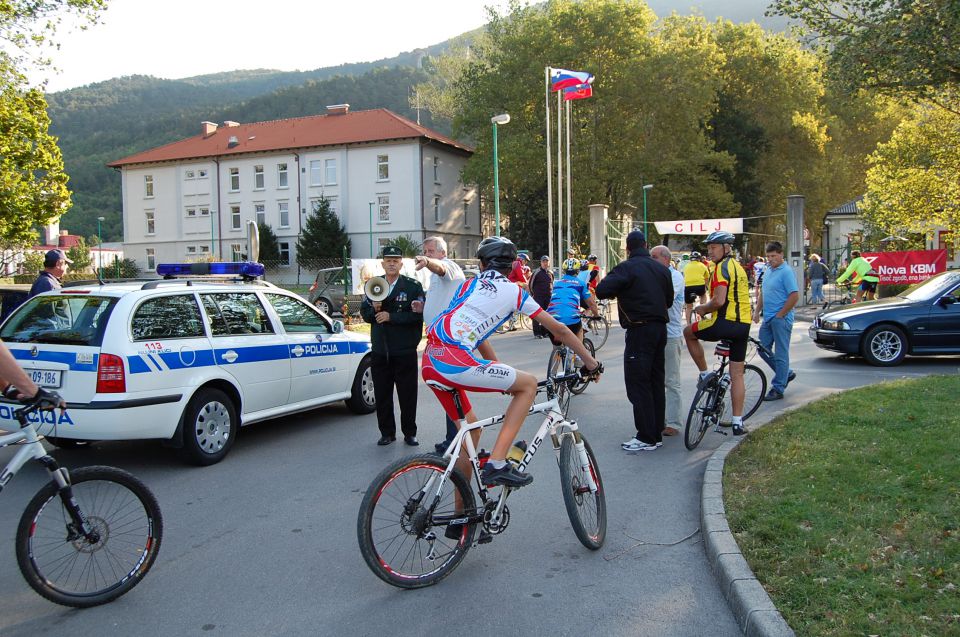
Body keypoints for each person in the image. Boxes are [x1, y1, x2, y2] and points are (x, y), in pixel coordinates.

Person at [422, 237, 601, 489]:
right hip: (454, 361)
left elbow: (476, 336)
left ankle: (459, 524)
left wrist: (500, 374)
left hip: (431, 359)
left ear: (482, 264)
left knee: (470, 434)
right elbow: (559, 330)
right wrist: (591, 363)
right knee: (527, 385)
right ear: (513, 266)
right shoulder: (516, 292)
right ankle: (496, 464)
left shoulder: (467, 286)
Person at [595, 231, 674, 453]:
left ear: (628, 249)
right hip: (660, 329)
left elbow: (602, 290)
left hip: (639, 329)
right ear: (646, 246)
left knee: (638, 383)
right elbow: (667, 299)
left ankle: (646, 436)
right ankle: (656, 430)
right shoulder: (662, 269)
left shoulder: (627, 268)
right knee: (656, 381)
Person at [683, 231, 752, 436]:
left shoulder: (721, 268)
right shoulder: (737, 267)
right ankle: (738, 422)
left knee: (688, 332)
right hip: (743, 325)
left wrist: (702, 309)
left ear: (727, 247)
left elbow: (719, 301)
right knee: (737, 375)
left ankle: (705, 374)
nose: (710, 251)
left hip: (725, 322)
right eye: (709, 247)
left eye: (714, 247)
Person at [360, 245, 425, 447]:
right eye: (388, 260)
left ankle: (410, 432)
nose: (391, 263)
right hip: (381, 350)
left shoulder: (412, 287)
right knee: (382, 394)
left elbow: (417, 316)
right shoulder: (374, 285)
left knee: (407, 394)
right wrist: (375, 310)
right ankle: (387, 433)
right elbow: (365, 314)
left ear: (401, 264)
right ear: (382, 263)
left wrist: (391, 317)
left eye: (395, 260)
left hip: (404, 350)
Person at [414, 236, 466, 454]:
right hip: (439, 339)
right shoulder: (435, 278)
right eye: (425, 251)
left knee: (451, 388)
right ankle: (453, 438)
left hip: (449, 340)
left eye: (430, 251)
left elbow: (441, 268)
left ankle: (456, 441)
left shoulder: (449, 267)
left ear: (442, 253)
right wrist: (423, 307)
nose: (426, 254)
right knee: (448, 387)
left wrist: (428, 263)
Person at [753, 241, 798, 401]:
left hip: (781, 319)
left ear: (781, 255)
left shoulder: (786, 271)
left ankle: (778, 387)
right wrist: (757, 311)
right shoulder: (768, 270)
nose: (771, 259)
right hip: (768, 318)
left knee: (781, 353)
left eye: (773, 256)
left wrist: (781, 314)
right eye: (768, 256)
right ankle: (785, 373)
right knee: (762, 348)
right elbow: (764, 293)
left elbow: (794, 295)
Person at [650, 245, 685, 437]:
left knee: (671, 380)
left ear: (666, 258)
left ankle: (673, 422)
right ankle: (658, 419)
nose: (651, 260)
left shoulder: (675, 277)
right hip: (654, 334)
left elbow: (660, 299)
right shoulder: (654, 275)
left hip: (670, 335)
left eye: (654, 257)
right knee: (655, 380)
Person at [548, 258, 599, 345]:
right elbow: (591, 304)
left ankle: (557, 355)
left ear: (564, 271)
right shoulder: (580, 284)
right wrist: (596, 315)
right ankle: (578, 355)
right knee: (579, 330)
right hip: (571, 319)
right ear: (578, 271)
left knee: (557, 345)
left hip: (551, 320)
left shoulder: (556, 283)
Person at [529, 255, 554, 339]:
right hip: (538, 296)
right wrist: (533, 294)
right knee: (537, 315)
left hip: (548, 296)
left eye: (547, 261)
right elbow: (530, 284)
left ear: (549, 262)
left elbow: (552, 284)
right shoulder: (537, 272)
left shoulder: (550, 273)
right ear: (541, 262)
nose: (545, 263)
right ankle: (537, 333)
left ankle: (545, 332)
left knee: (547, 315)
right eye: (543, 261)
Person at [505, 252, 530, 330]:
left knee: (513, 306)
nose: (525, 263)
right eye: (525, 261)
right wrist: (526, 283)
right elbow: (520, 275)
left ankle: (512, 325)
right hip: (513, 284)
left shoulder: (515, 263)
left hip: (511, 284)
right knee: (526, 288)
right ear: (522, 259)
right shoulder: (517, 263)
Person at [683, 251, 709, 325]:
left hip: (688, 287)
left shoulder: (686, 266)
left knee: (689, 307)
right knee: (703, 295)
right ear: (699, 258)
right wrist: (706, 287)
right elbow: (707, 277)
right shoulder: (702, 265)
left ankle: (688, 323)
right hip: (699, 286)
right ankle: (702, 309)